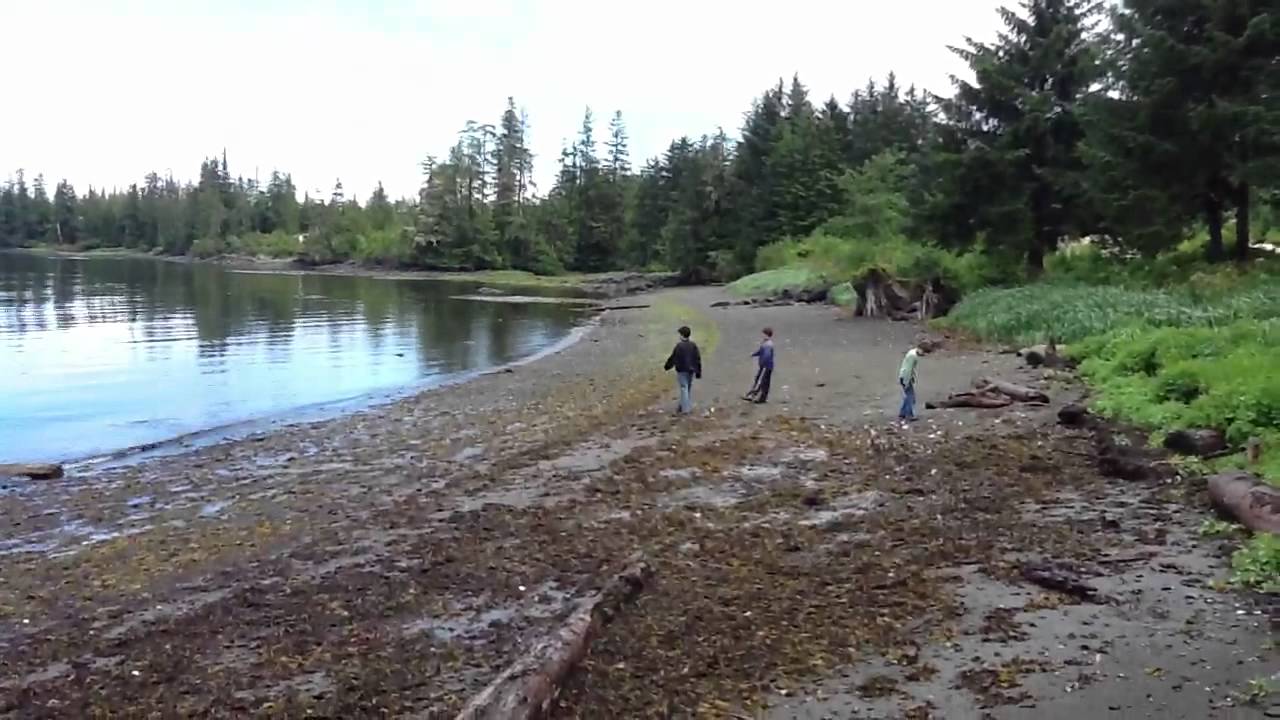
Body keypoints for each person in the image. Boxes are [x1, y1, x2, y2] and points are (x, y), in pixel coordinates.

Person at [663, 325, 702, 414]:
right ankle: (682, 406)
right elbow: (697, 358)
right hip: (691, 370)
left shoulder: (679, 346)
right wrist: (698, 371)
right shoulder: (693, 345)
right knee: (687, 388)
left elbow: (673, 358)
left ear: (682, 335)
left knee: (684, 388)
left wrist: (667, 366)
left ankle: (686, 409)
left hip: (681, 370)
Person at [898, 341, 929, 421]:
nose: (923, 355)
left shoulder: (912, 352)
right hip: (905, 378)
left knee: (908, 396)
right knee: (911, 397)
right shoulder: (913, 356)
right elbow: (908, 370)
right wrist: (907, 382)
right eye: (923, 352)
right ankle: (909, 415)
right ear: (920, 349)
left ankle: (902, 413)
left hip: (904, 377)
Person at [746, 327, 775, 404]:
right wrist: (754, 354)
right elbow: (760, 352)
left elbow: (766, 355)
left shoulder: (767, 345)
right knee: (766, 383)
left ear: (766, 335)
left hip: (765, 366)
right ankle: (763, 398)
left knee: (759, 381)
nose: (762, 336)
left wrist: (763, 363)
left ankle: (752, 395)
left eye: (763, 334)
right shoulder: (767, 343)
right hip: (769, 366)